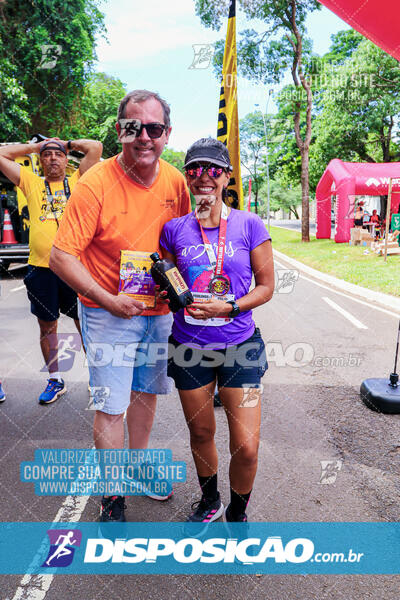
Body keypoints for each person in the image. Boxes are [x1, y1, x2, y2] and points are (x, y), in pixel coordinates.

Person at [49, 90, 191, 523]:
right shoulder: (95, 184)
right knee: (111, 404)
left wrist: (180, 288)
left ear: (167, 134)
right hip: (107, 313)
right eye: (134, 127)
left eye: (154, 128)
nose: (144, 137)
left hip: (157, 312)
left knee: (147, 391)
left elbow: (182, 245)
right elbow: (60, 255)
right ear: (119, 131)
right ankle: (112, 496)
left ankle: (138, 464)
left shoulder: (175, 182)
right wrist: (109, 300)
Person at [160, 138, 275, 524]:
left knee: (246, 446)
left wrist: (229, 306)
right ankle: (209, 500)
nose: (202, 178)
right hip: (189, 346)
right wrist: (170, 291)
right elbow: (170, 280)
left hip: (240, 345)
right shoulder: (174, 229)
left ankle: (237, 512)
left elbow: (266, 287)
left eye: (213, 169)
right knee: (201, 432)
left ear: (227, 176)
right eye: (194, 170)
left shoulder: (249, 224)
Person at [0, 137, 102, 404]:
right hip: (41, 270)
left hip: (76, 268)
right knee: (47, 327)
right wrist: (34, 147)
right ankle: (56, 379)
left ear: (67, 159)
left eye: (58, 154)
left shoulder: (79, 181)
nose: (53, 158)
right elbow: (2, 155)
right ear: (40, 161)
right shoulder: (31, 183)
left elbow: (95, 148)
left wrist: (65, 143)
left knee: (86, 325)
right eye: (47, 155)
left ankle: (97, 377)